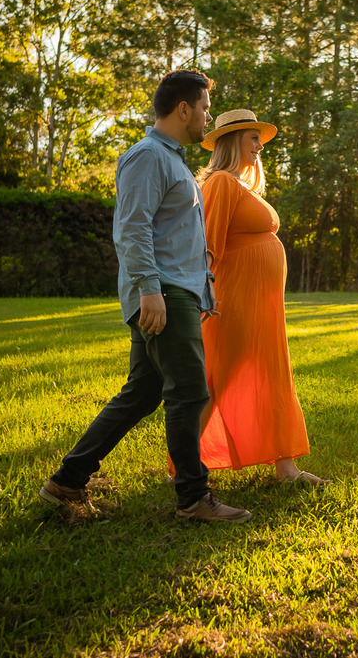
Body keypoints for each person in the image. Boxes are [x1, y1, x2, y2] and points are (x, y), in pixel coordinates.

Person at [40, 70, 252, 524]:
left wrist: (203, 294)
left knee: (142, 393)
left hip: (178, 293)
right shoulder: (147, 156)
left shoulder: (175, 162)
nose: (207, 117)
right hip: (162, 293)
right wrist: (150, 290)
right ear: (183, 109)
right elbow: (132, 228)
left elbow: (179, 236)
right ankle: (193, 498)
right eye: (204, 108)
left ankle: (68, 480)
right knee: (191, 391)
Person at [182, 108, 326, 485]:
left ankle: (285, 467)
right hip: (234, 298)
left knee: (271, 374)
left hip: (261, 303)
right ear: (233, 141)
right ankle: (183, 466)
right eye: (253, 138)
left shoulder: (241, 186)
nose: (260, 145)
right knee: (217, 378)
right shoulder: (221, 184)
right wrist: (207, 289)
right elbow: (206, 243)